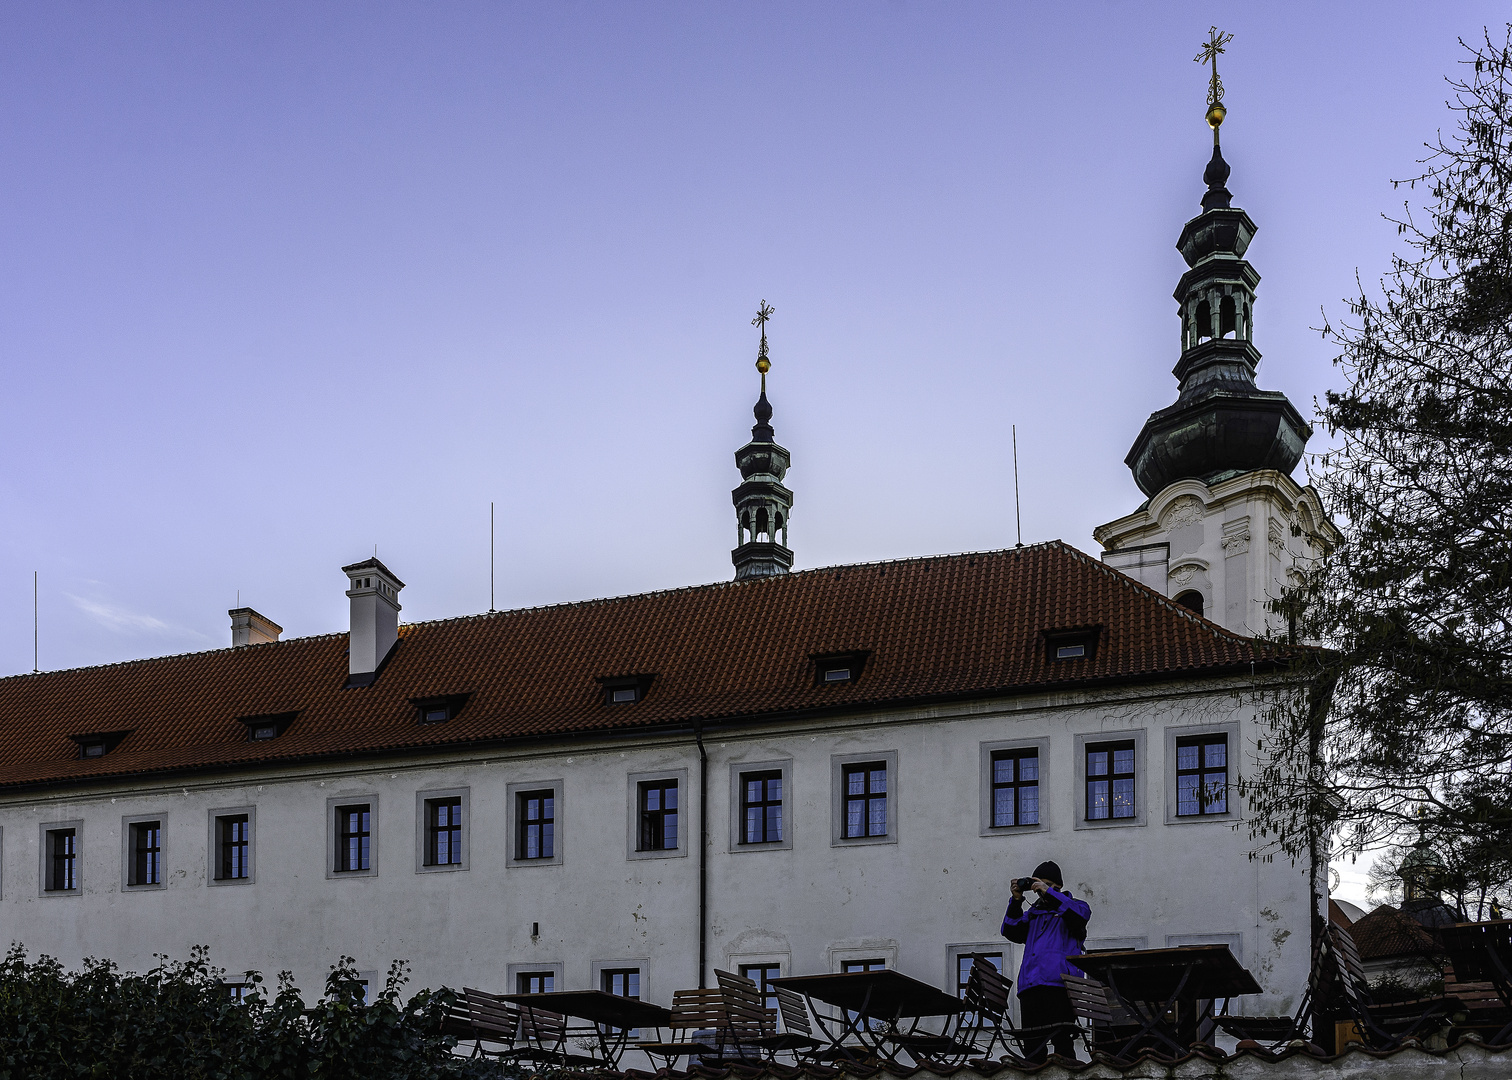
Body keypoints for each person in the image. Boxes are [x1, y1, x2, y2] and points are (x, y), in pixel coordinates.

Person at [1000, 860, 1090, 1063]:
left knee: (1062, 1044)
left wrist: (1048, 892)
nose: (1041, 890)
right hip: (1031, 987)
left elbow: (1080, 918)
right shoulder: (1033, 914)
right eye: (1038, 885)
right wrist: (1016, 900)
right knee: (1032, 1047)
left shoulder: (1076, 907)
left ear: (1057, 887)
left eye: (1047, 884)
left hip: (1061, 986)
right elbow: (1010, 930)